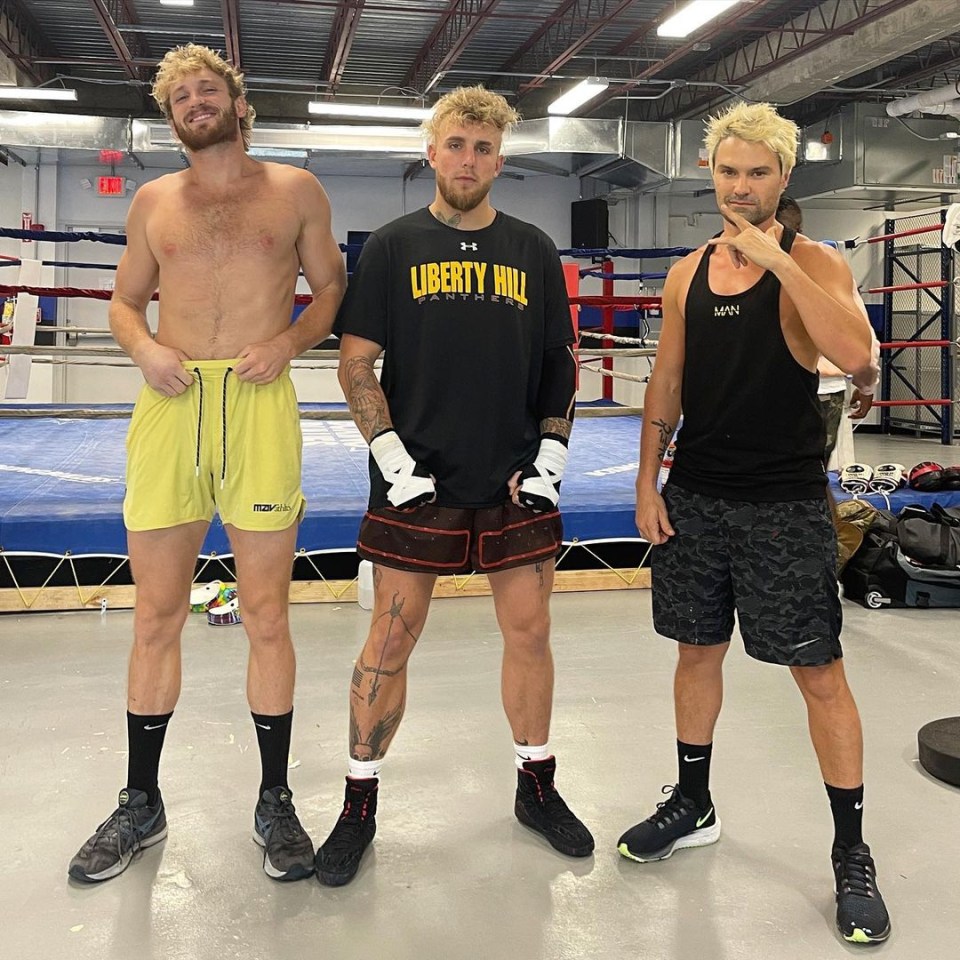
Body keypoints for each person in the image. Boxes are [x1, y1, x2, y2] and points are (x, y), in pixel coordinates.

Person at [68, 44, 346, 884]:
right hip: (172, 401)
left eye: (207, 88)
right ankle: (140, 802)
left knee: (265, 613)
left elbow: (330, 287)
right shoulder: (153, 201)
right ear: (171, 116)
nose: (195, 101)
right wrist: (146, 348)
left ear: (235, 101)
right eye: (180, 95)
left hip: (259, 405)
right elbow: (122, 300)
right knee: (157, 613)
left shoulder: (295, 189)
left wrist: (290, 341)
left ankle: (274, 801)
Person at [621, 102, 889, 945]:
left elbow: (856, 357)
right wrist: (646, 479)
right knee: (695, 653)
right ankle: (693, 801)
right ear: (711, 174)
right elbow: (667, 380)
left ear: (784, 178)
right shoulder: (685, 273)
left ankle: (851, 851)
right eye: (729, 172)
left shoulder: (813, 261)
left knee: (818, 674)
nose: (741, 188)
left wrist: (779, 258)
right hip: (696, 495)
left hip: (782, 503)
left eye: (759, 174)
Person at [318, 85, 593, 887]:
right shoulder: (394, 247)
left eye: (483, 149)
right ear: (431, 151)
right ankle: (358, 802)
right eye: (455, 145)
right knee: (391, 639)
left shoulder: (534, 248)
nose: (468, 160)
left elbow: (559, 362)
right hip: (418, 477)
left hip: (514, 478)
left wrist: (553, 453)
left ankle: (536, 786)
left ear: (499, 162)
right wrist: (393, 458)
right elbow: (356, 361)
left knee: (531, 634)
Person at [775, 195, 875, 468]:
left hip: (818, 389)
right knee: (810, 477)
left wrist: (866, 383)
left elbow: (859, 333)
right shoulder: (744, 270)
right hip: (799, 390)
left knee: (806, 478)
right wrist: (866, 385)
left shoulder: (827, 267)